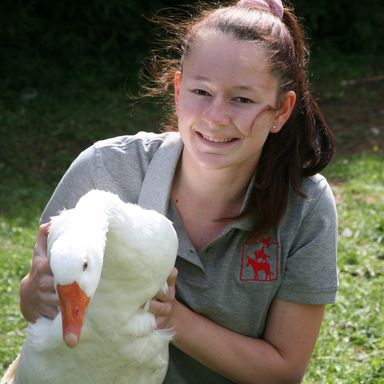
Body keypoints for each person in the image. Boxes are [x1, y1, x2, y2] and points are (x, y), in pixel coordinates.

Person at [19, 0, 338, 382]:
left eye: (242, 99)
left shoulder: (306, 206)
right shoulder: (105, 168)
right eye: (201, 91)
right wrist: (34, 293)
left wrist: (172, 318)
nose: (216, 116)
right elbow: (33, 307)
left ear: (281, 112)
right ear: (177, 89)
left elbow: (283, 372)